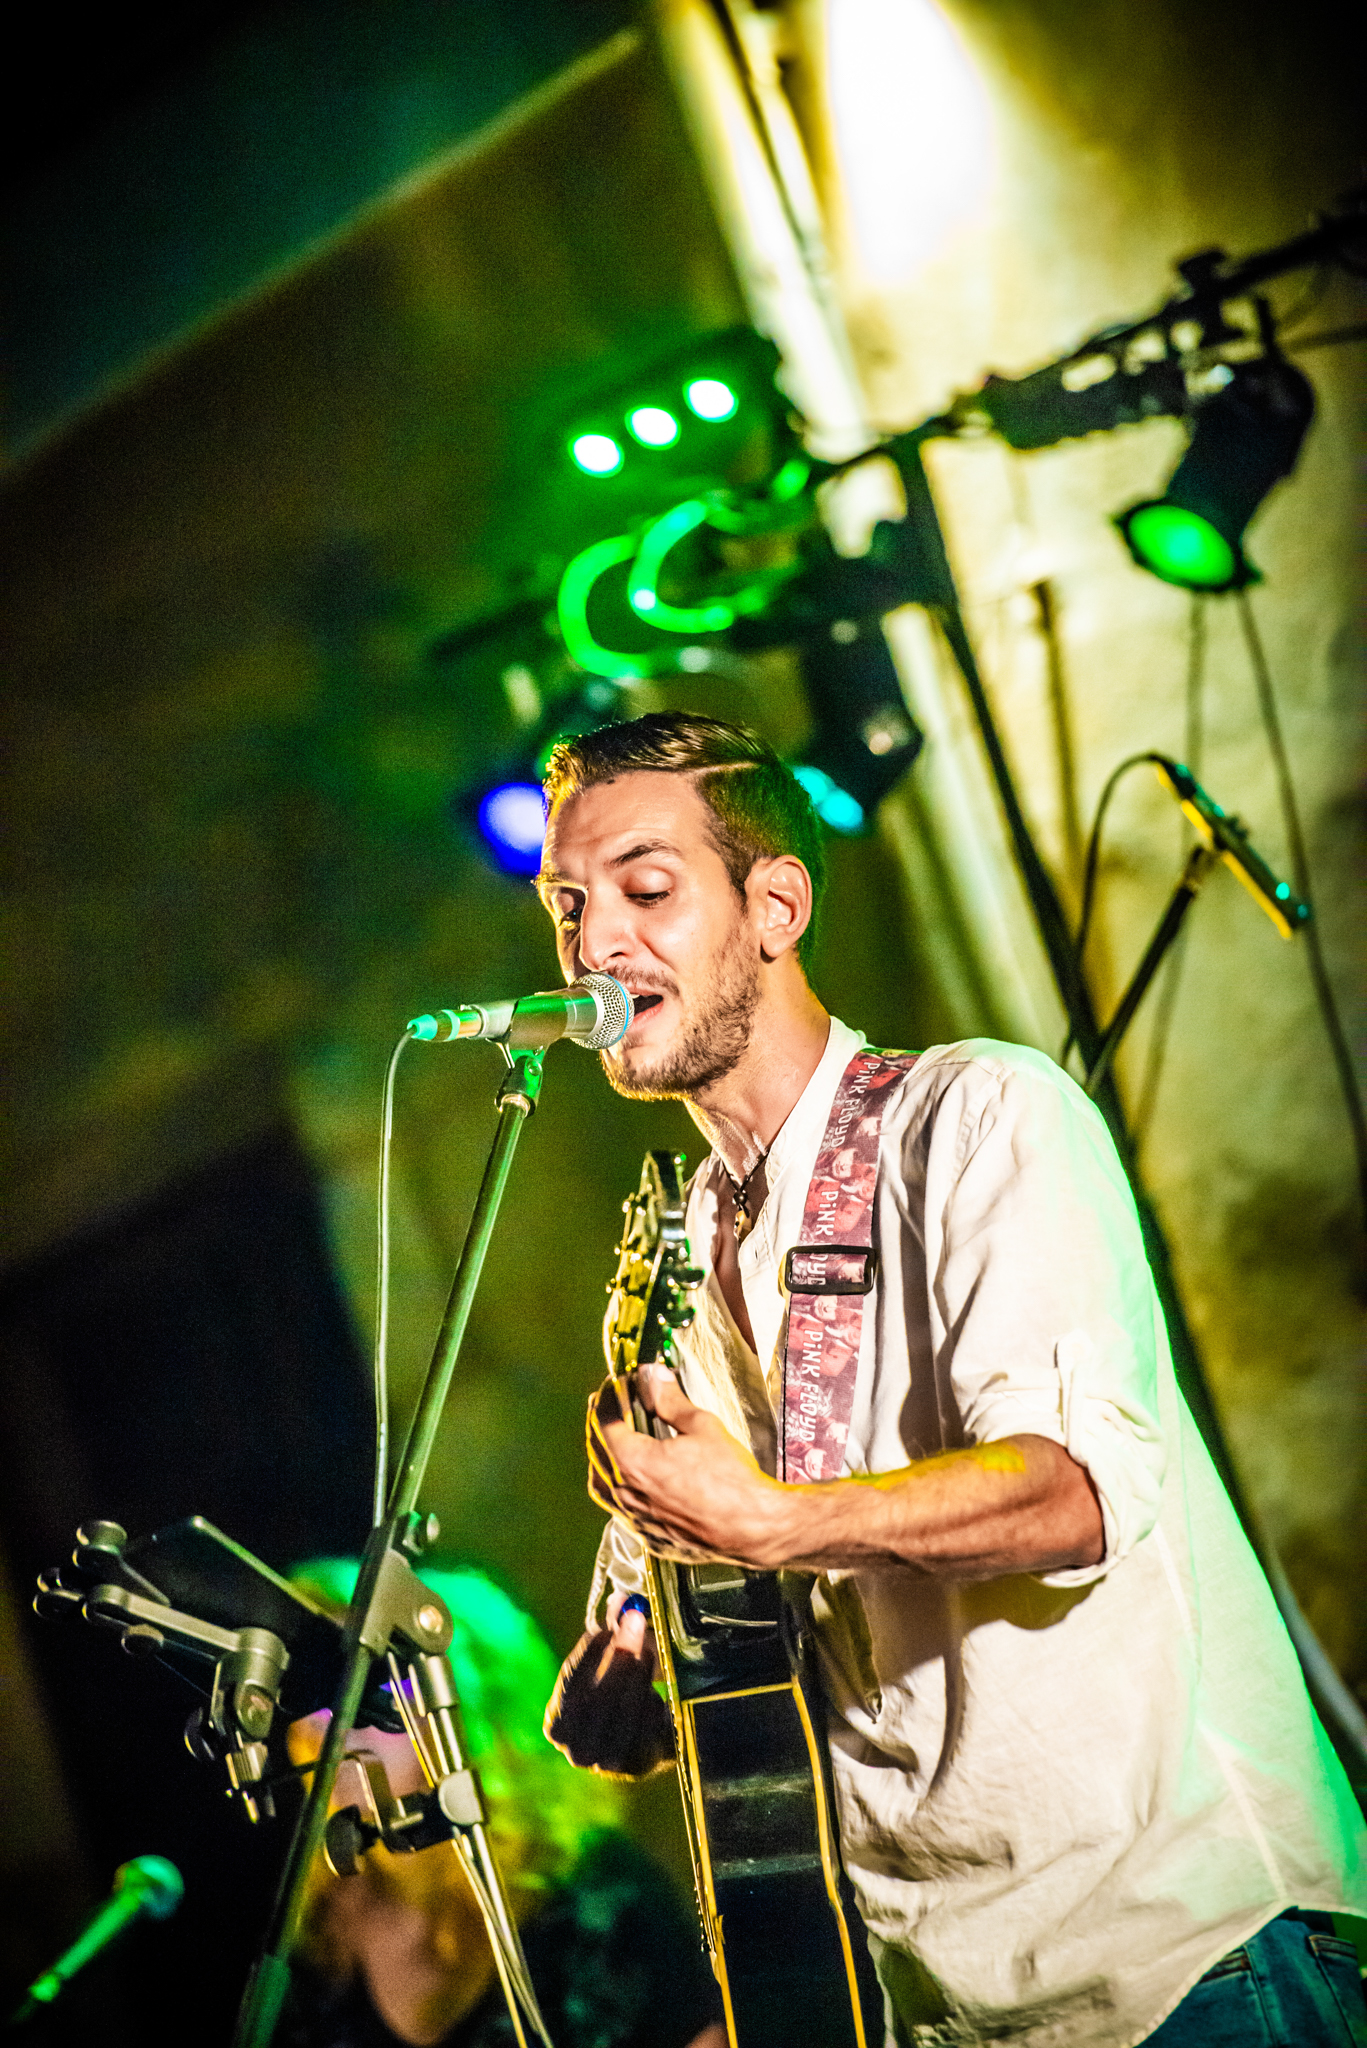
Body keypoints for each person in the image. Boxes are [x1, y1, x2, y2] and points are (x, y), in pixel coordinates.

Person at [537, 710, 1367, 2048]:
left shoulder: (978, 1116)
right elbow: (697, 1618)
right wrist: (639, 1670)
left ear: (774, 906)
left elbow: (1072, 1495)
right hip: (934, 2007)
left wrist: (774, 1521)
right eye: (568, 905)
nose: (592, 946)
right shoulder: (669, 1257)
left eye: (645, 888)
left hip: (1177, 1961)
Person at [280, 1556, 724, 2048]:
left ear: (472, 1708)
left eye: (371, 1688)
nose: (326, 1723)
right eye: (318, 1692)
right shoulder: (310, 1927)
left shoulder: (604, 1901)